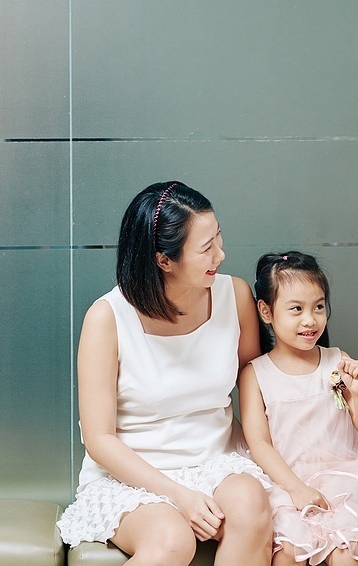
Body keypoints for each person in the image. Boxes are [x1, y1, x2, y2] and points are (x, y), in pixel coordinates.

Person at [57, 181, 273, 565]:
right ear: (163, 260)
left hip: (216, 461)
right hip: (131, 476)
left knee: (251, 506)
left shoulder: (234, 295)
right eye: (206, 248)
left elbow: (256, 385)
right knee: (172, 539)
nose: (221, 255)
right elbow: (98, 438)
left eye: (218, 238)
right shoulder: (107, 318)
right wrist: (178, 495)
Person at [239, 251, 358, 566]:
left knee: (346, 550)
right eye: (296, 309)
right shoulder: (255, 374)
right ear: (266, 311)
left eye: (318, 307)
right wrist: (296, 489)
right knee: (288, 553)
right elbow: (258, 443)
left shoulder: (335, 361)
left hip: (346, 480)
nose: (310, 319)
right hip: (288, 483)